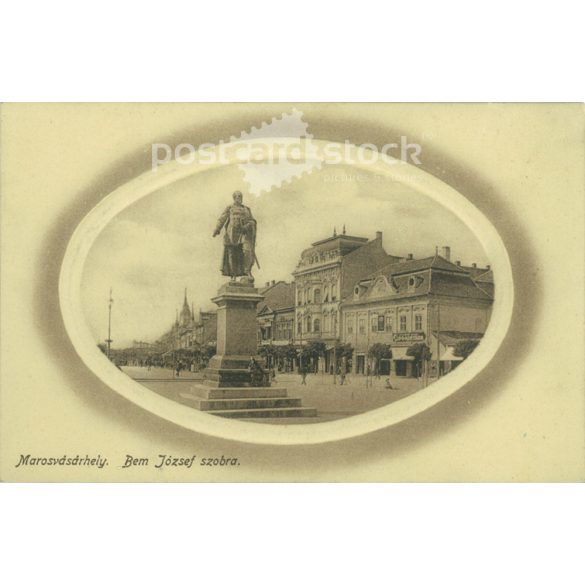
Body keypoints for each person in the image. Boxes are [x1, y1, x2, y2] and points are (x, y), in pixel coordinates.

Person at [213, 191, 257, 281]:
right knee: (232, 254)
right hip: (231, 234)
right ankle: (233, 275)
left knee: (247, 251)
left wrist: (248, 225)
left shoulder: (246, 209)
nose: (239, 198)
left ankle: (247, 271)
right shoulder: (230, 208)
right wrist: (217, 229)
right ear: (234, 198)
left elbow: (252, 220)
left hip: (243, 233)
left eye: (240, 196)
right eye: (237, 196)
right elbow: (222, 219)